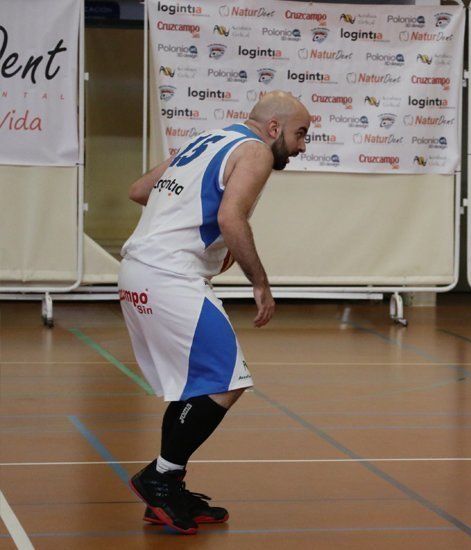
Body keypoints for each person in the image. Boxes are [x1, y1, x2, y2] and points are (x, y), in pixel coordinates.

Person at [119, 91, 311, 534]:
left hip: (137, 271)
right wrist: (259, 283)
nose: (303, 146)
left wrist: (189, 229)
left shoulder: (207, 139)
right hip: (168, 277)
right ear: (274, 127)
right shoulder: (256, 150)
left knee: (197, 386)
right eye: (301, 134)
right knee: (228, 381)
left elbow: (138, 191)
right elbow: (231, 217)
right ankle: (159, 478)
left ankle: (167, 487)